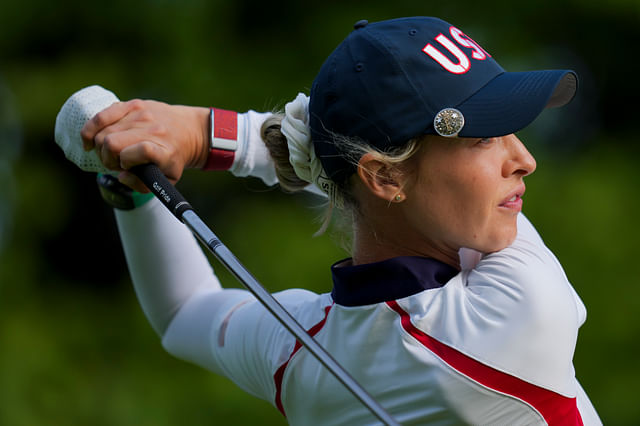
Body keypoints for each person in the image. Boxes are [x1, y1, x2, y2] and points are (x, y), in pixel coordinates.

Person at [80, 17, 601, 425]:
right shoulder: (518, 308)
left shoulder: (296, 351)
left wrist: (137, 188)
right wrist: (202, 133)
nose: (525, 159)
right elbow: (327, 162)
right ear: (385, 177)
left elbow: (182, 312)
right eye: (484, 138)